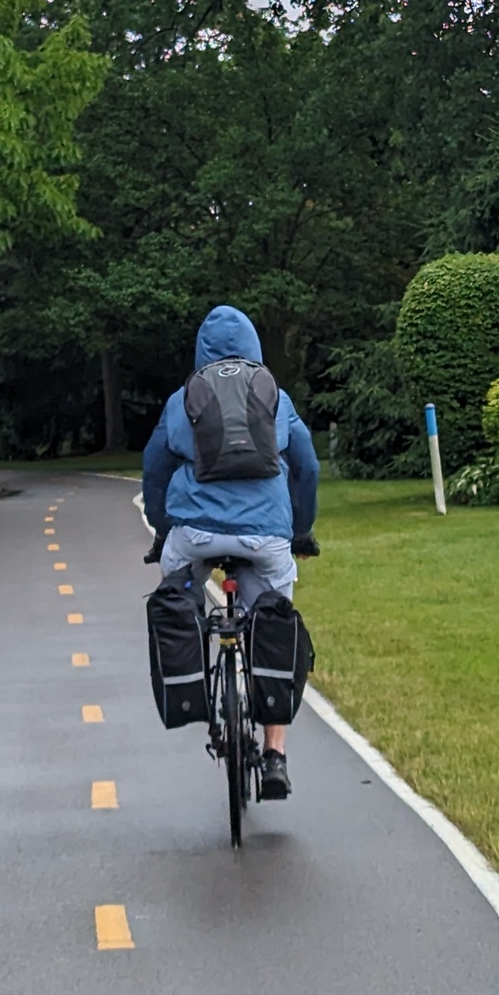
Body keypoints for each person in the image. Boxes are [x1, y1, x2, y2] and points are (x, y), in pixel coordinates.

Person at [143, 304, 318, 799]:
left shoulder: (185, 399)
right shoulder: (273, 396)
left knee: (178, 598)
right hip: (265, 535)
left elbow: (154, 467)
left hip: (194, 534)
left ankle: (194, 680)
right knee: (276, 615)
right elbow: (306, 464)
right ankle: (276, 753)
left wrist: (163, 532)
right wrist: (300, 529)